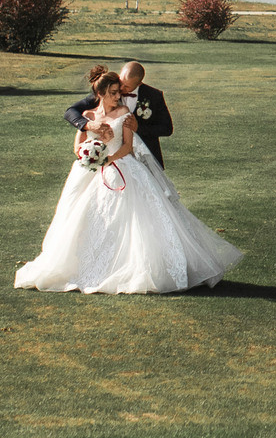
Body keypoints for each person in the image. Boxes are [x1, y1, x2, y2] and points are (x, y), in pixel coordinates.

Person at [15, 69, 243, 295]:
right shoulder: (88, 113)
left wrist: (107, 158)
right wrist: (89, 153)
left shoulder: (129, 109)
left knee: (133, 217)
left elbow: (132, 144)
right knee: (82, 214)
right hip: (90, 172)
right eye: (114, 92)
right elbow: (77, 142)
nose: (119, 95)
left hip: (122, 166)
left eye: (121, 90)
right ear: (102, 93)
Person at [65, 59, 172, 167]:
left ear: (139, 83)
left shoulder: (154, 96)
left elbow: (167, 129)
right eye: (121, 82)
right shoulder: (108, 90)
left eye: (126, 87)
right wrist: (89, 125)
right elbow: (70, 112)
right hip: (111, 156)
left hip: (146, 156)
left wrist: (138, 128)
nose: (120, 90)